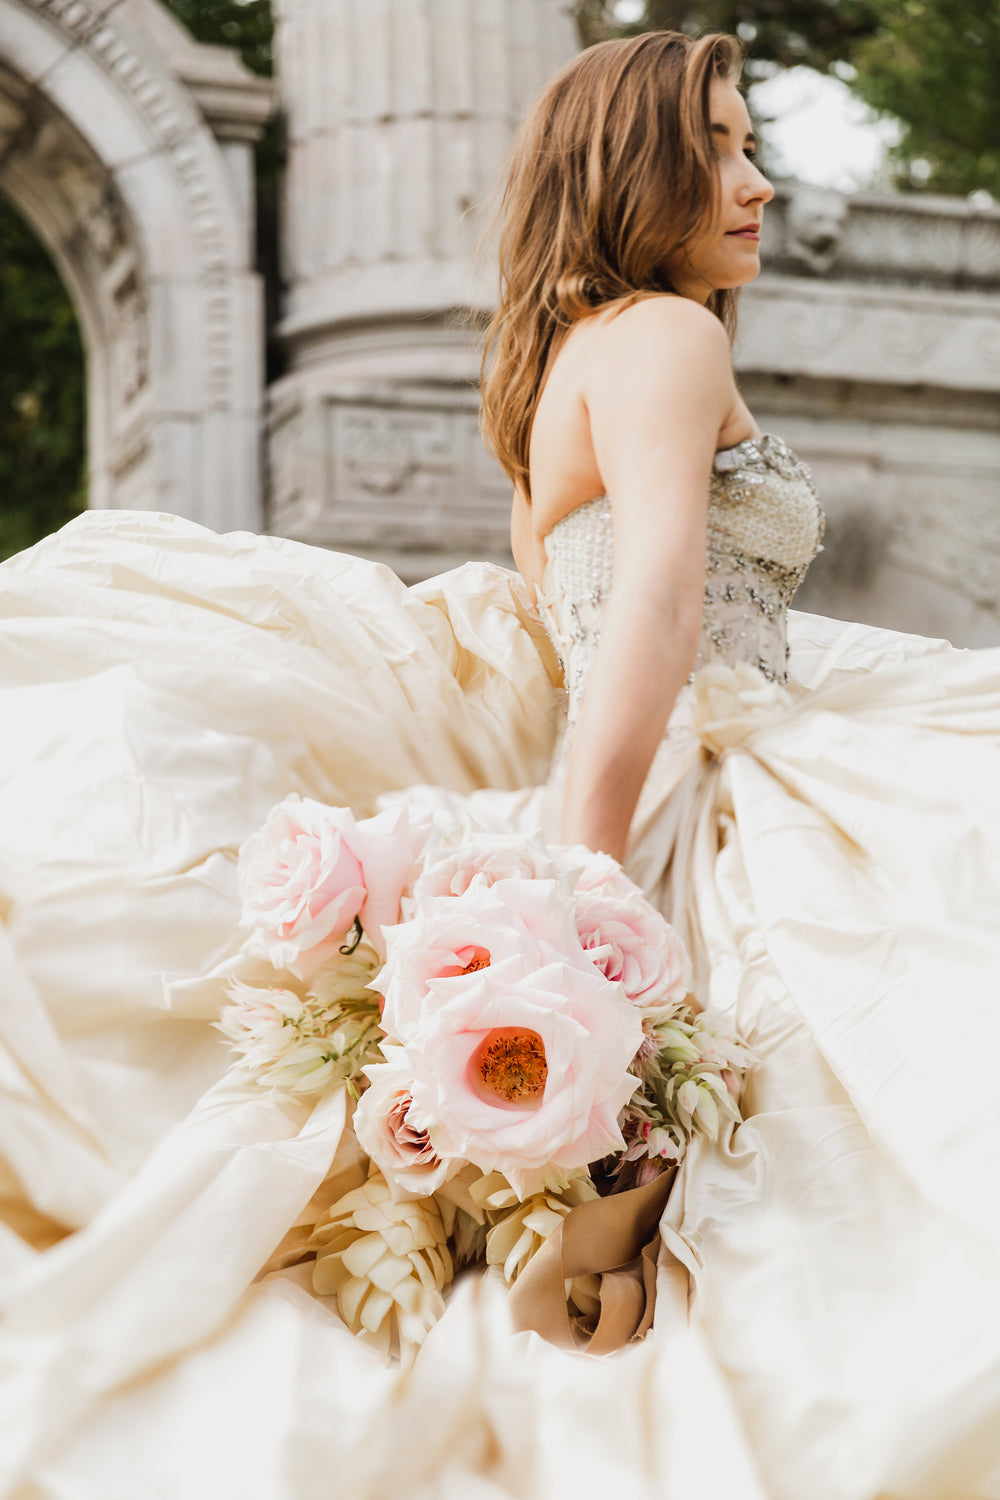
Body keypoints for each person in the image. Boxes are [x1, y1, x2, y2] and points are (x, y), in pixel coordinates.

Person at [0, 28, 999, 1500]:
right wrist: (583, 886)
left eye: (750, 143)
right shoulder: (671, 333)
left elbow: (580, 625)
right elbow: (654, 603)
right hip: (705, 771)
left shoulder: (558, 369)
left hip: (660, 766)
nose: (760, 181)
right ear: (633, 170)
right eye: (722, 147)